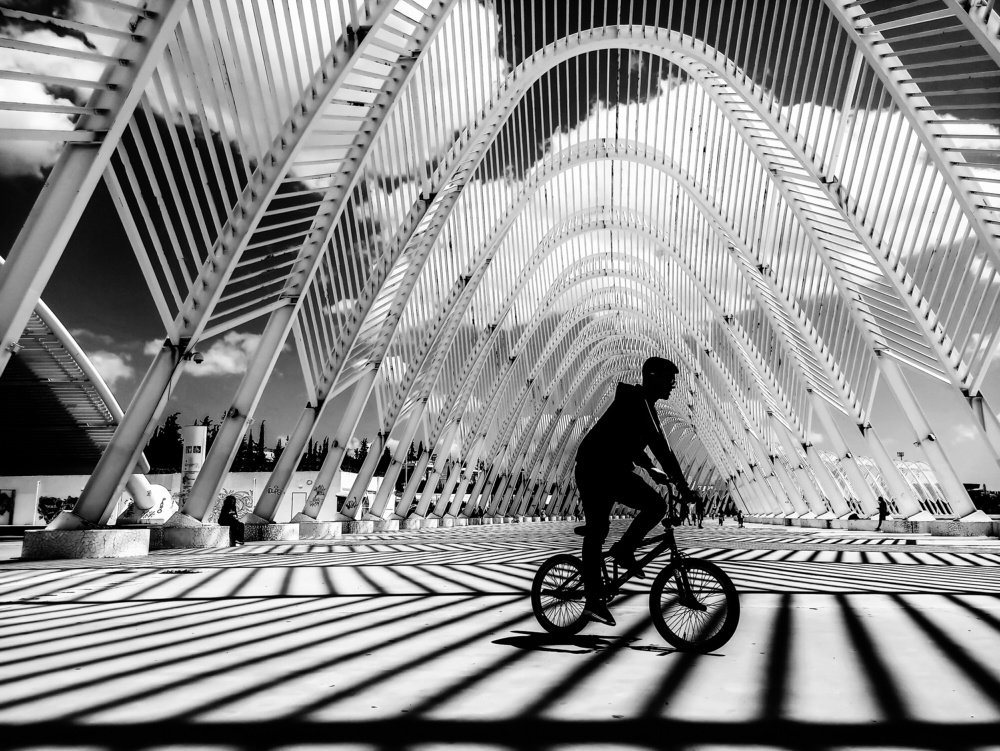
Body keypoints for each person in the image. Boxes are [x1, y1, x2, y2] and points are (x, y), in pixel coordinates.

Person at [574, 356, 697, 627]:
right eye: (669, 379)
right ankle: (593, 599)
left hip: (611, 469)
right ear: (652, 377)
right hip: (595, 470)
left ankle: (623, 551)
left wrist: (650, 469)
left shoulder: (643, 405)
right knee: (600, 529)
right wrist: (684, 487)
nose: (673, 385)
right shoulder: (638, 402)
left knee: (654, 505)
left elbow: (627, 440)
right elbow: (661, 447)